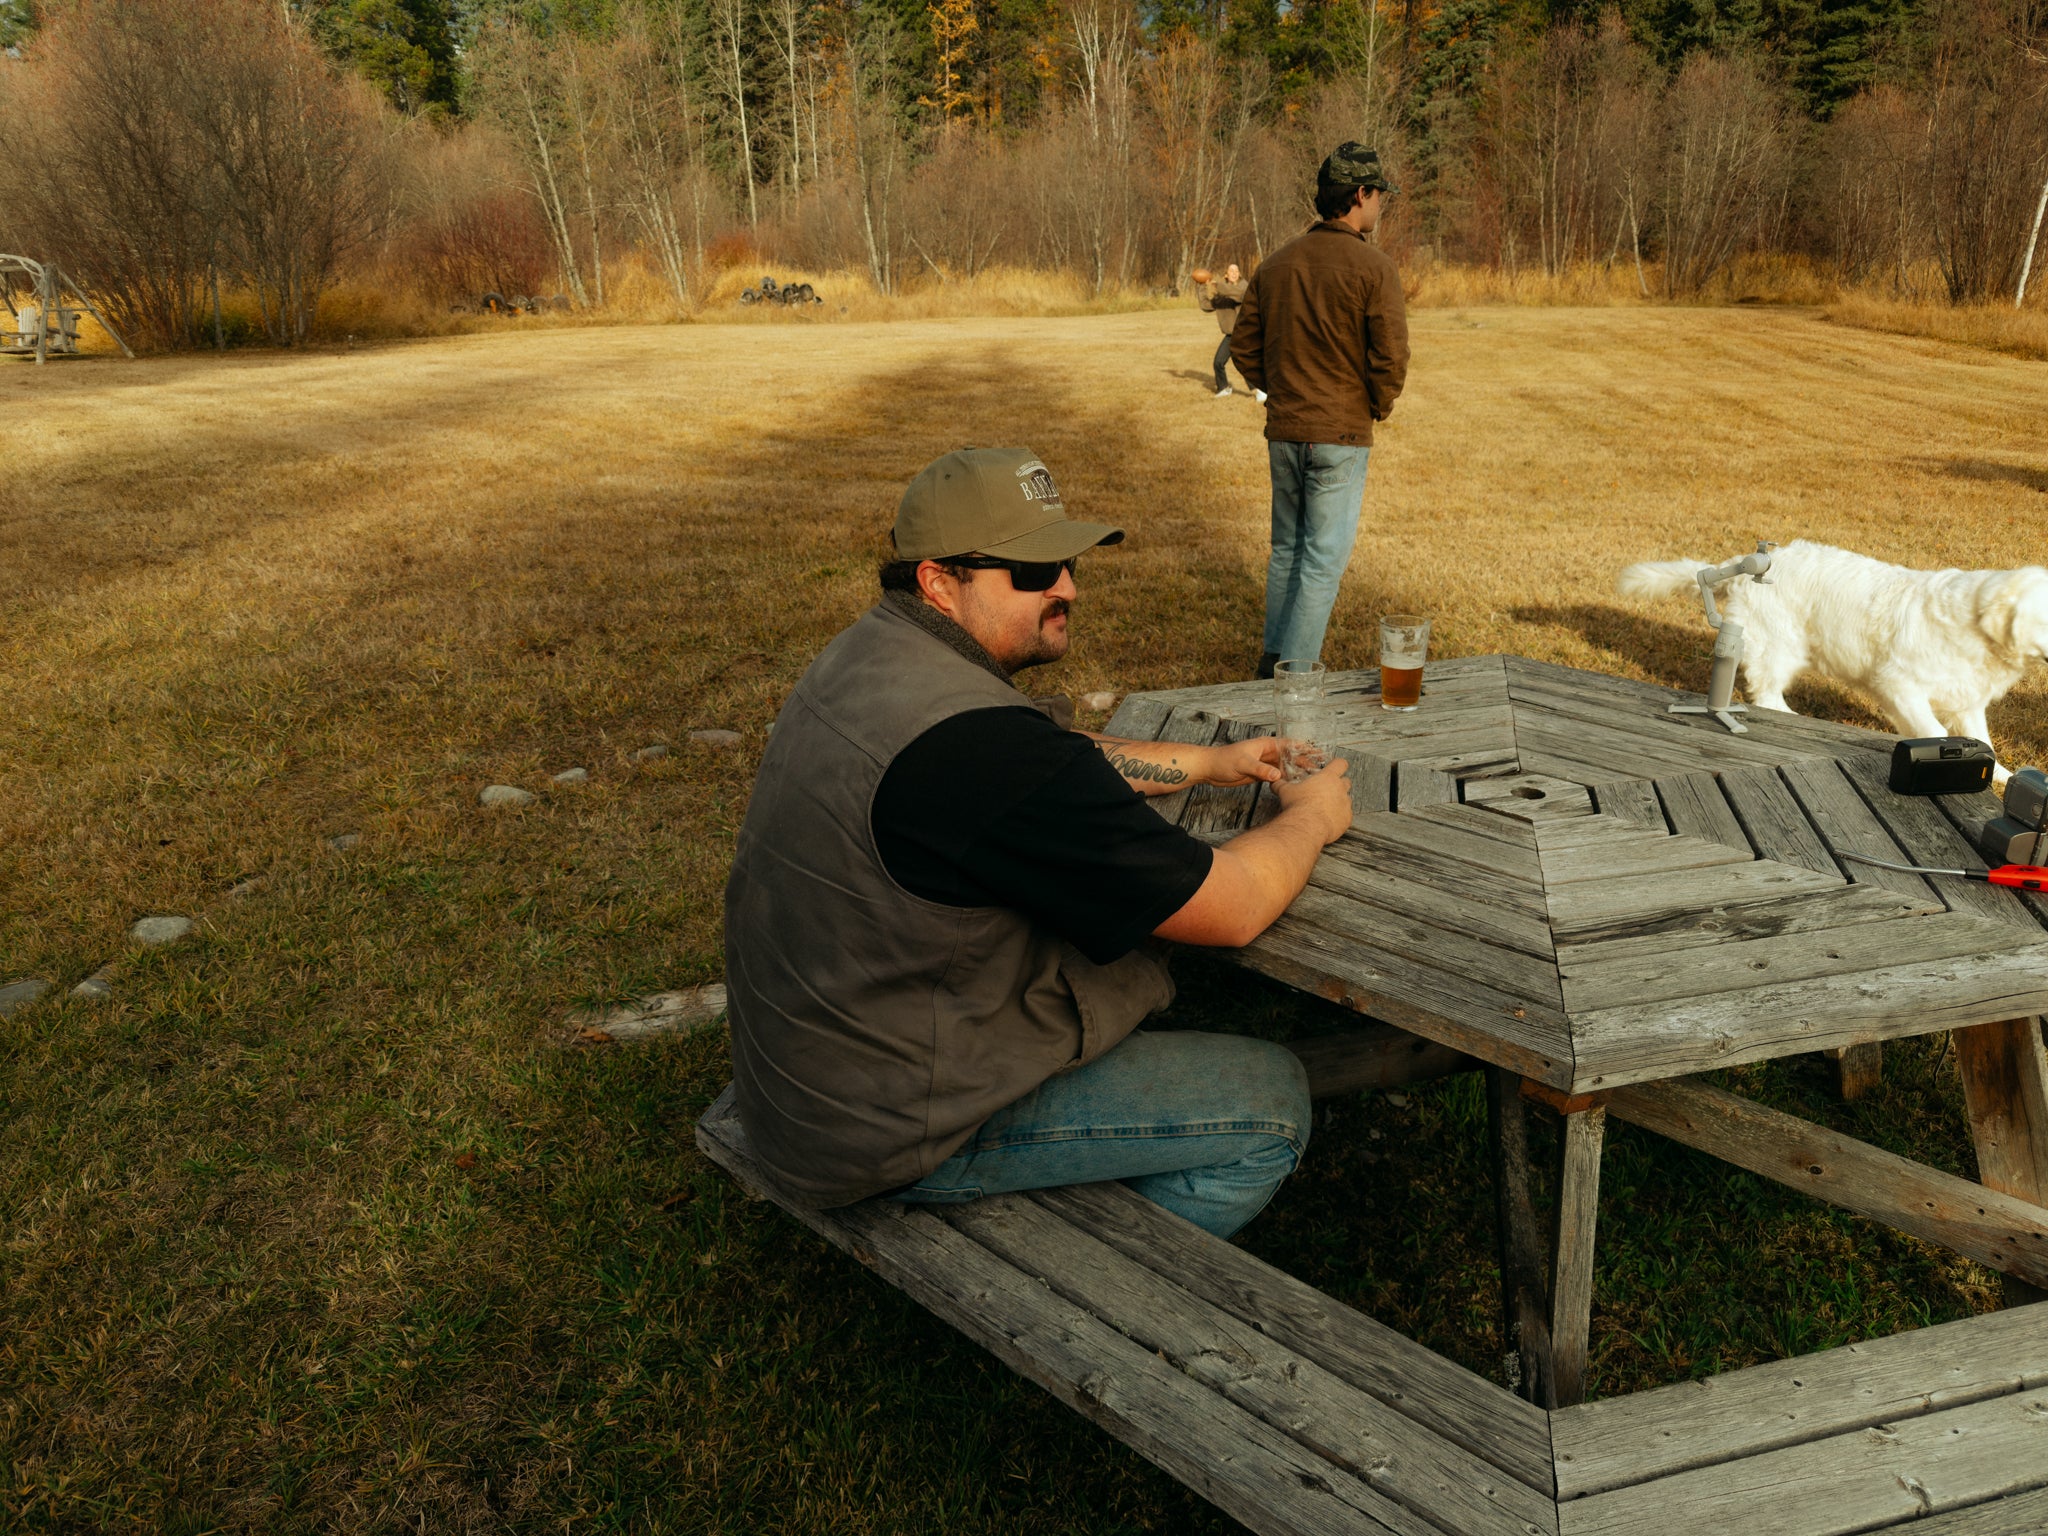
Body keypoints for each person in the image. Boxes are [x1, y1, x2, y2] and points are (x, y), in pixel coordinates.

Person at [724, 447, 1355, 1239]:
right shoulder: (983, 754)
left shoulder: (878, 653)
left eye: (1063, 560)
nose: (1067, 587)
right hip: (883, 1132)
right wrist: (1313, 815)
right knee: (1270, 1097)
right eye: (1032, 571)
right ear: (938, 581)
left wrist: (1205, 763)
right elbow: (1231, 907)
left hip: (809, 1072)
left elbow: (1054, 757)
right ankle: (1121, 1289)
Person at [1231, 142, 1411, 681]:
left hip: (1285, 432)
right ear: (1360, 194)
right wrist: (1375, 405)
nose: (1381, 206)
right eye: (1379, 196)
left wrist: (1281, 391)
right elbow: (1392, 355)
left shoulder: (1277, 264)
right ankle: (1296, 674)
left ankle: (1271, 659)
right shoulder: (1374, 267)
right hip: (1339, 436)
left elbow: (1244, 346)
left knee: (1286, 550)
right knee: (1321, 562)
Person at [1194, 263, 1262, 401]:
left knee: (1243, 362)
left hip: (1243, 332)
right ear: (1226, 274)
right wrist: (1202, 285)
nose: (1234, 272)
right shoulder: (1222, 294)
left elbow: (1235, 293)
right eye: (1231, 270)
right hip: (1231, 334)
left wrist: (1217, 285)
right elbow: (1206, 305)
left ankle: (1259, 389)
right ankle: (1224, 387)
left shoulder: (1244, 288)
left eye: (1236, 270)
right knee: (1219, 362)